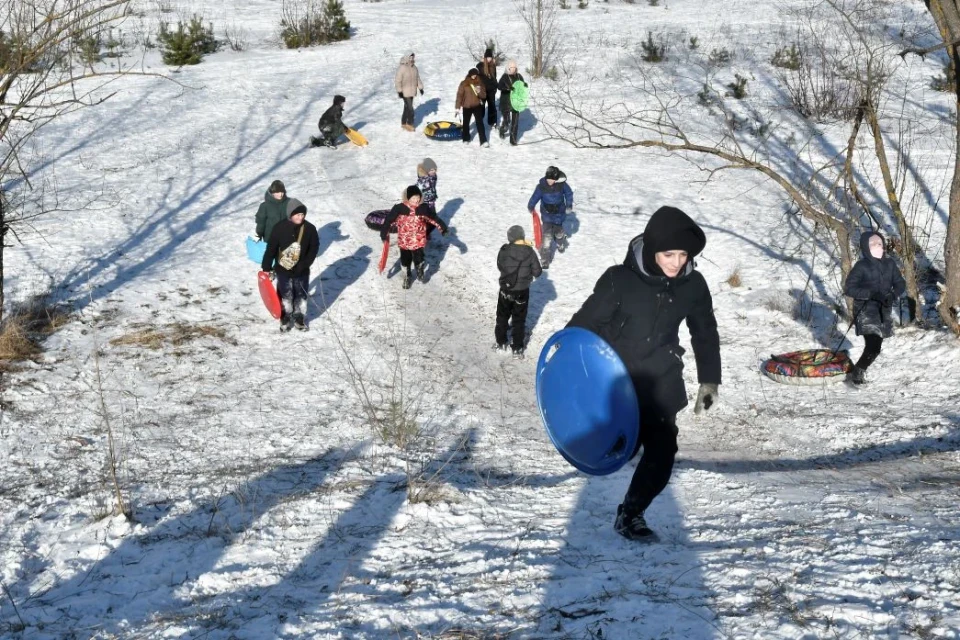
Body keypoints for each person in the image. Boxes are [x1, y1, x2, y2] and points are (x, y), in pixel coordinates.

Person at [567, 206, 721, 540]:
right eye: (669, 253)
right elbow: (583, 326)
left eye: (683, 254)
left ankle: (631, 513)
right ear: (652, 250)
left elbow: (704, 331)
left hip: (660, 377)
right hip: (616, 378)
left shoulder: (692, 286)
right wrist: (572, 374)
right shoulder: (618, 280)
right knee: (622, 445)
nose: (677, 261)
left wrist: (709, 379)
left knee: (663, 450)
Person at [842, 231, 906, 386]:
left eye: (879, 243)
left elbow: (900, 283)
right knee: (872, 345)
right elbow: (849, 288)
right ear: (866, 247)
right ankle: (857, 376)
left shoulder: (890, 264)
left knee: (876, 348)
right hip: (865, 310)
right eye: (873, 244)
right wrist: (871, 294)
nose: (878, 246)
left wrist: (893, 294)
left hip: (883, 310)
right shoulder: (861, 266)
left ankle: (858, 370)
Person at [261, 198, 319, 332]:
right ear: (290, 214)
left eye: (303, 214)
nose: (301, 217)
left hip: (302, 269)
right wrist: (266, 268)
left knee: (301, 294)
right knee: (285, 295)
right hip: (283, 269)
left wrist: (305, 264)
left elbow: (314, 248)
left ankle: (299, 318)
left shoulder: (310, 229)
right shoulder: (279, 228)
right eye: (298, 214)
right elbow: (271, 249)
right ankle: (285, 318)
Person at [380, 185, 448, 289]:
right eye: (413, 198)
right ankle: (407, 276)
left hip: (418, 240)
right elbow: (389, 220)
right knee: (405, 260)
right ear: (407, 198)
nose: (416, 200)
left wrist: (443, 229)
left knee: (419, 257)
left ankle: (419, 268)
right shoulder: (399, 208)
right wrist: (384, 232)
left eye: (418, 197)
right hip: (404, 241)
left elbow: (434, 219)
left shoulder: (423, 208)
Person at [495, 225, 542, 359]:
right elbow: (537, 272)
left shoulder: (504, 250)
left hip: (506, 288)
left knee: (502, 316)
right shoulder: (530, 252)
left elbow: (500, 265)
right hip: (522, 291)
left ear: (510, 237)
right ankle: (517, 347)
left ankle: (501, 342)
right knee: (519, 319)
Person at [527, 166, 574, 268]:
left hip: (559, 214)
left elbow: (569, 194)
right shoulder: (541, 187)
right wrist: (531, 206)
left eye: (552, 180)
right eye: (548, 179)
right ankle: (545, 260)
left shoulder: (562, 185)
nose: (550, 181)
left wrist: (569, 205)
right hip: (547, 214)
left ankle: (560, 243)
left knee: (559, 233)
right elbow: (535, 197)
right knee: (547, 237)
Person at [455, 68, 488, 147]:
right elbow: (459, 95)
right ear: (469, 74)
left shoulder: (480, 83)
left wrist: (479, 91)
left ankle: (483, 141)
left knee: (480, 123)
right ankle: (466, 138)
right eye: (472, 74)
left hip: (477, 106)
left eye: (475, 74)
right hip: (467, 106)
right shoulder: (464, 83)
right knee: (466, 123)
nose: (474, 76)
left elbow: (484, 95)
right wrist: (457, 107)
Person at [497, 60, 524, 145]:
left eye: (514, 68)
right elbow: (499, 86)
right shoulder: (505, 77)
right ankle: (502, 129)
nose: (513, 69)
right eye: (511, 68)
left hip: (516, 102)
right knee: (507, 121)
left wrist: (524, 87)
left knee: (515, 122)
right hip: (506, 101)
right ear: (508, 68)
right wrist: (508, 88)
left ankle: (513, 140)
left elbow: (522, 86)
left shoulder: (519, 76)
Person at [395, 53, 423, 132]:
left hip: (412, 91)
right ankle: (409, 124)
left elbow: (417, 78)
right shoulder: (402, 68)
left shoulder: (414, 68)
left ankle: (403, 123)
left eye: (413, 57)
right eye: (410, 57)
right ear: (407, 57)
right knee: (410, 109)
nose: (412, 59)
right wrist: (399, 91)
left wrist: (420, 88)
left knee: (406, 108)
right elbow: (398, 81)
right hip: (404, 92)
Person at [416, 158, 439, 239]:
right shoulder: (422, 181)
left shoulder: (433, 177)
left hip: (431, 202)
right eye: (432, 170)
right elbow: (416, 192)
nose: (434, 171)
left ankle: (425, 234)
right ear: (426, 170)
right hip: (424, 204)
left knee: (433, 222)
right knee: (430, 221)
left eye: (435, 169)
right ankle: (422, 235)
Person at [476, 48, 499, 127]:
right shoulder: (480, 66)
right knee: (481, 106)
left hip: (491, 90)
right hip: (483, 90)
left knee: (492, 106)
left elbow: (494, 78)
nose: (489, 59)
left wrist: (495, 87)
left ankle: (492, 122)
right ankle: (479, 120)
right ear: (485, 58)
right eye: (488, 57)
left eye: (490, 57)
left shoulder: (493, 66)